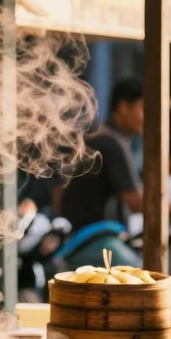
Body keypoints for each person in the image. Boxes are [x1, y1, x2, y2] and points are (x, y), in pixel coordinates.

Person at [56, 76, 145, 232]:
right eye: (143, 109)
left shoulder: (98, 136)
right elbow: (136, 203)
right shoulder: (110, 143)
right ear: (123, 107)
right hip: (95, 237)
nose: (147, 118)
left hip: (78, 234)